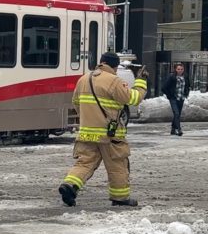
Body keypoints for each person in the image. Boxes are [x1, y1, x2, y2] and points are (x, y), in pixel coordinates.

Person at [59, 52, 148, 207]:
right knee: (117, 165)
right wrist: (141, 81)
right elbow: (133, 99)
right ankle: (120, 198)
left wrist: (88, 119)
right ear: (115, 66)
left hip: (87, 133)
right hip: (110, 135)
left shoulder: (83, 79)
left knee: (84, 163)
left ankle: (70, 185)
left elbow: (76, 102)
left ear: (101, 62)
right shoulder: (114, 81)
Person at [161, 63, 190, 136]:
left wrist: (186, 93)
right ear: (175, 69)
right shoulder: (172, 77)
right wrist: (170, 95)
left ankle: (173, 129)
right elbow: (164, 88)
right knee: (176, 113)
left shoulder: (185, 76)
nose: (180, 71)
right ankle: (178, 129)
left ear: (183, 70)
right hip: (173, 98)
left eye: (181, 69)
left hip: (181, 98)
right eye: (178, 69)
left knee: (178, 114)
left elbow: (188, 85)